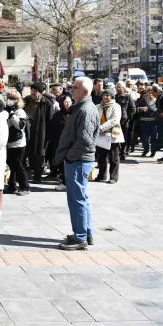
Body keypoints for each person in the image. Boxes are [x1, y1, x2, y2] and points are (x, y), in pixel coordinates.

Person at [54, 77, 99, 250]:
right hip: (78, 160)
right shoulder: (82, 108)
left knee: (77, 200)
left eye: (75, 87)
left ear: (85, 92)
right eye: (72, 86)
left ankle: (80, 237)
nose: (71, 89)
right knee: (81, 199)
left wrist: (69, 157)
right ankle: (85, 233)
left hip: (78, 160)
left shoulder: (86, 110)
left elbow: (85, 141)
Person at [24, 82, 55, 183]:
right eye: (32, 91)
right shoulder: (28, 101)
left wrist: (49, 138)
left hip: (41, 133)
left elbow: (51, 122)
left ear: (41, 93)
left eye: (35, 91)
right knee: (28, 153)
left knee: (39, 155)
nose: (33, 93)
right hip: (27, 131)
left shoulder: (47, 104)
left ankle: (37, 176)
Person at [4, 90, 30, 195]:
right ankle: (12, 186)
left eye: (13, 98)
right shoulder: (6, 110)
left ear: (18, 100)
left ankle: (25, 187)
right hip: (8, 142)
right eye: (9, 97)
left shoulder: (20, 112)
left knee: (18, 165)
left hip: (18, 143)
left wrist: (11, 114)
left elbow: (20, 126)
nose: (10, 100)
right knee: (11, 165)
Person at [95, 87, 123, 184]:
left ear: (112, 97)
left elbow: (115, 120)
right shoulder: (98, 106)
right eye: (104, 95)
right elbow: (94, 118)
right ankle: (102, 175)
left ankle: (113, 177)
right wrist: (98, 129)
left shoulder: (116, 106)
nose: (105, 97)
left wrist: (102, 128)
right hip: (101, 134)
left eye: (108, 95)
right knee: (102, 156)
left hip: (113, 133)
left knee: (114, 157)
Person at [47, 94, 72, 186]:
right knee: (61, 163)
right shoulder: (57, 115)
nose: (68, 104)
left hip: (71, 143)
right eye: (66, 102)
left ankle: (67, 182)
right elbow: (52, 131)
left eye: (69, 102)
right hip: (59, 143)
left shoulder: (74, 113)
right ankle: (64, 181)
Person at [114, 82, 135, 161]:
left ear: (123, 88)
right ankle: (116, 152)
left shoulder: (127, 97)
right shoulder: (114, 97)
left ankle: (123, 152)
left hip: (124, 121)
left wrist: (128, 118)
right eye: (117, 87)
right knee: (115, 138)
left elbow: (133, 109)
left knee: (124, 138)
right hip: (115, 121)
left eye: (119, 87)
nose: (117, 88)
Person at [136, 88, 158, 157]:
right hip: (144, 122)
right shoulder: (142, 101)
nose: (150, 95)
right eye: (149, 93)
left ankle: (153, 151)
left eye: (152, 93)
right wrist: (140, 108)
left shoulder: (157, 101)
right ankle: (146, 149)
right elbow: (135, 108)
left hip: (154, 123)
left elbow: (161, 109)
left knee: (154, 138)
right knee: (145, 138)